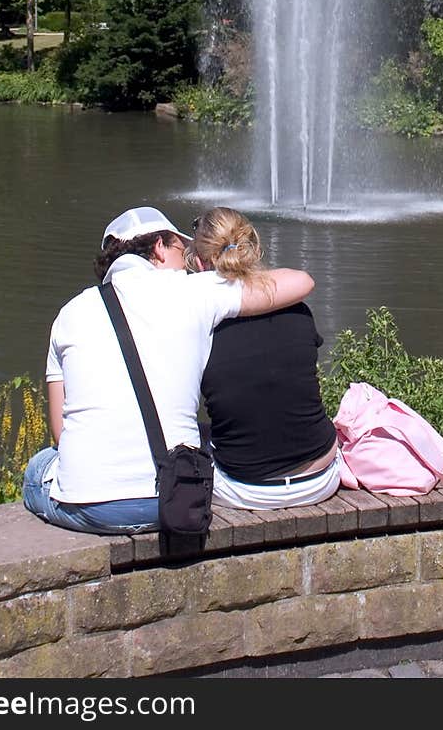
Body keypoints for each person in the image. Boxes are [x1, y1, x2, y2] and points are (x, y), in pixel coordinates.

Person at [22, 204, 315, 534]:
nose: (188, 260)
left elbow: (61, 433)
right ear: (159, 247)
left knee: (37, 468)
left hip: (87, 507)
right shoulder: (192, 291)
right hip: (173, 499)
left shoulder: (69, 313)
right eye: (181, 247)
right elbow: (299, 282)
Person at [187, 207, 341, 510]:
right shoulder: (298, 310)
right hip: (320, 478)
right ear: (253, 250)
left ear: (200, 261)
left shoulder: (198, 327)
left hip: (245, 488)